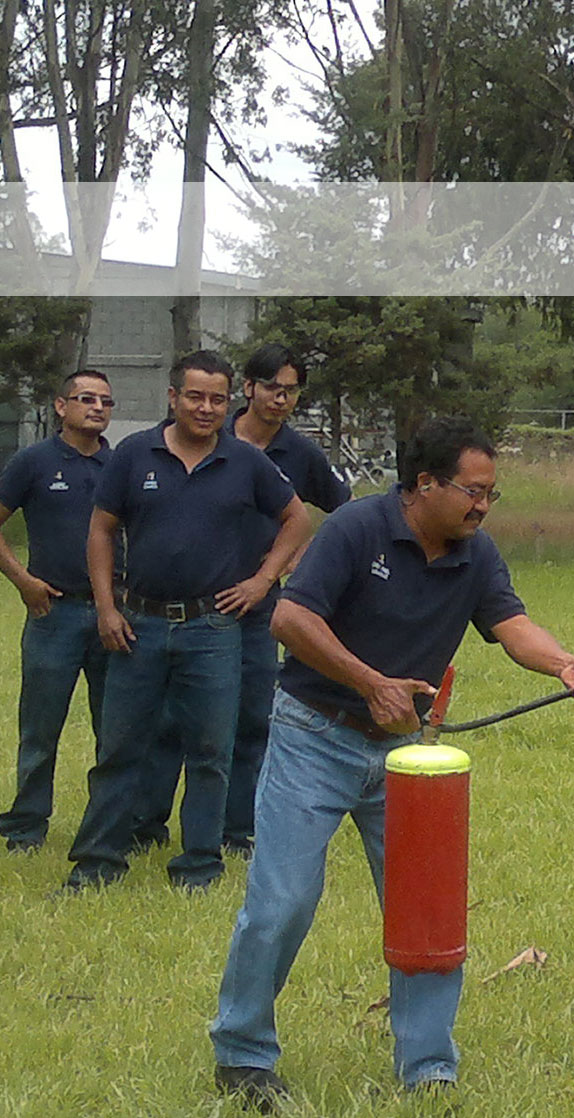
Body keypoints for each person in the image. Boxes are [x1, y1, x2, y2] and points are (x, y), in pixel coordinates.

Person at [209, 415, 574, 1105]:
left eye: (492, 493)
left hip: (404, 755)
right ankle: (243, 1054)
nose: (483, 505)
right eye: (473, 490)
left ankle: (428, 1066)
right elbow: (288, 619)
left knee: (424, 910)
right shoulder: (355, 529)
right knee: (282, 901)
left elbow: (510, 625)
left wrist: (564, 663)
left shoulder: (476, 553)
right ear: (425, 483)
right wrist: (371, 682)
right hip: (315, 733)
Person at [61, 350, 311, 893]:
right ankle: (98, 862)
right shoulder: (134, 455)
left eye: (217, 399)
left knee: (210, 753)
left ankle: (199, 865)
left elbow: (297, 518)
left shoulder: (245, 462)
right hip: (138, 625)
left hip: (212, 628)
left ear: (230, 401)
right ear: (172, 397)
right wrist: (106, 607)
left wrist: (262, 581)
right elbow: (101, 530)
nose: (206, 408)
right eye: (194, 396)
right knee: (120, 748)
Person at [136, 343, 351, 858]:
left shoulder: (300, 455)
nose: (281, 399)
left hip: (257, 608)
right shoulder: (210, 434)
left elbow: (345, 517)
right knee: (171, 720)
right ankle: (146, 824)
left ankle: (237, 828)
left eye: (291, 390)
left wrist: (291, 564)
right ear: (248, 389)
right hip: (192, 601)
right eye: (272, 387)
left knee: (253, 717)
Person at [0, 370, 116, 853]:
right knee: (40, 728)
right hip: (53, 614)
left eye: (105, 402)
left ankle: (110, 823)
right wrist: (23, 580)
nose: (97, 408)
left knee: (115, 728)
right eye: (86, 399)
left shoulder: (120, 466)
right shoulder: (33, 462)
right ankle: (26, 825)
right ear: (60, 406)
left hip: (111, 616)